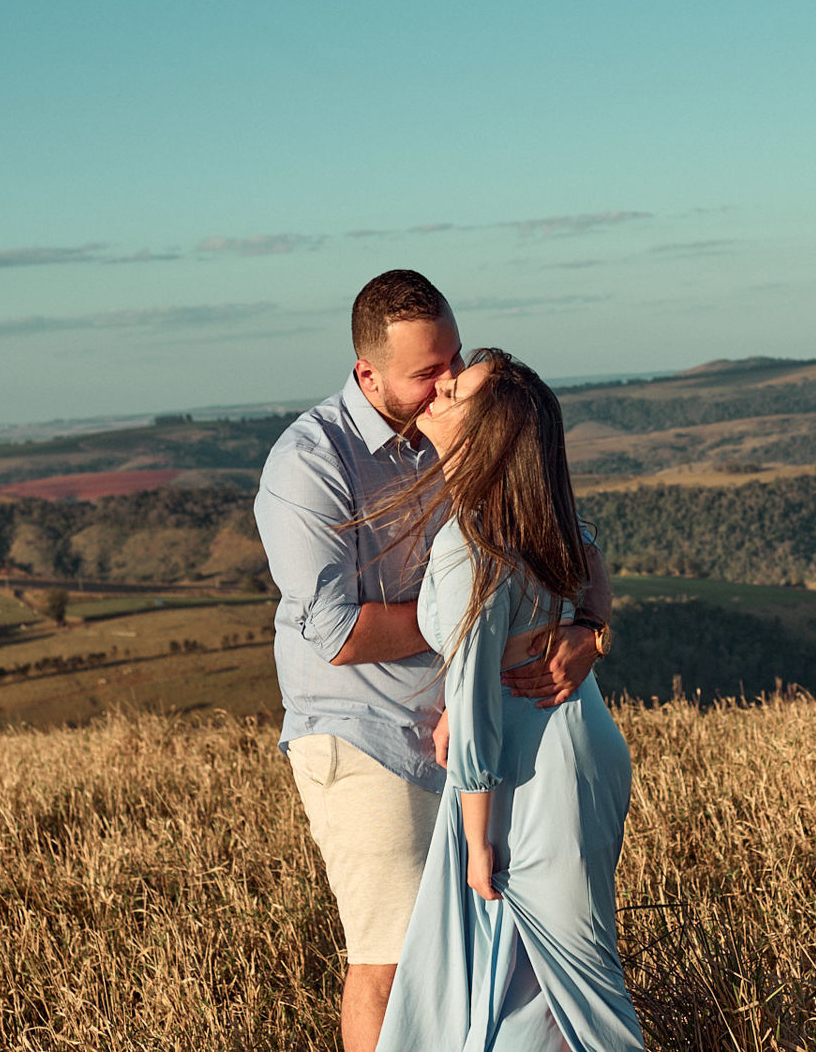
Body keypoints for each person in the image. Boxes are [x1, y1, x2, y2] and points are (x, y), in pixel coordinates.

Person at [253, 270, 613, 1052]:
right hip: (366, 732)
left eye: (451, 359)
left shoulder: (467, 429)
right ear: (367, 374)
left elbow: (574, 544)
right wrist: (484, 614)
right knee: (393, 961)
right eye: (427, 373)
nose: (447, 381)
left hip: (480, 731)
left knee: (488, 958)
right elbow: (337, 632)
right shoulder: (309, 466)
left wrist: (586, 624)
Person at [372, 348, 644, 1051]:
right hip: (571, 745)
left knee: (577, 1002)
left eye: (453, 390)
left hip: (533, 775)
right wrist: (589, 626)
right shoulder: (529, 519)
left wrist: (473, 844)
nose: (434, 394)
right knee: (539, 993)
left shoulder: (474, 544)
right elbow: (588, 558)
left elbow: (475, 718)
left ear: (488, 432)